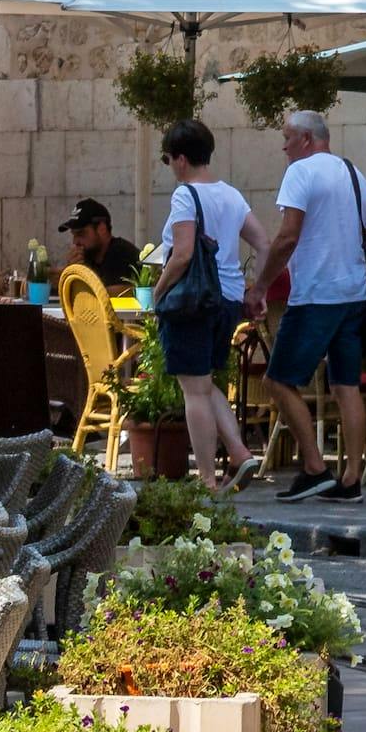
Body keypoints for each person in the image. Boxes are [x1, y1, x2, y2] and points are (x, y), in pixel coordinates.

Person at [255, 109, 366, 501]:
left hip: (315, 296)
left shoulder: (300, 172)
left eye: (287, 138)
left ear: (306, 139)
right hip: (354, 295)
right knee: (347, 386)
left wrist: (260, 286)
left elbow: (287, 236)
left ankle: (314, 467)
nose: (283, 147)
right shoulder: (354, 174)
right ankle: (351, 478)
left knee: (277, 380)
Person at [149, 119, 254, 489]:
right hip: (228, 299)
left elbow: (182, 255)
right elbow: (266, 243)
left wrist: (158, 293)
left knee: (192, 389)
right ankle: (239, 453)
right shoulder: (232, 195)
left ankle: (207, 479)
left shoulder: (184, 195)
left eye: (167, 160)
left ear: (179, 159)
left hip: (192, 302)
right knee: (205, 383)